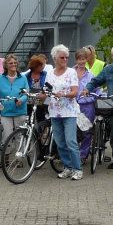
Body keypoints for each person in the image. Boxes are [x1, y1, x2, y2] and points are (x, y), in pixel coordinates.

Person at [44, 45, 83, 180]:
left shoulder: (71, 72)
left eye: (66, 57)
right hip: (54, 112)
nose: (65, 59)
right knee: (60, 143)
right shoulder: (50, 73)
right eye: (62, 57)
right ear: (55, 58)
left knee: (71, 141)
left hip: (69, 112)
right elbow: (47, 91)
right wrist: (42, 96)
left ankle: (78, 169)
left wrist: (64, 94)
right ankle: (68, 167)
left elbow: (75, 92)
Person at [0, 54, 29, 164]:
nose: (13, 65)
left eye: (15, 63)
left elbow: (26, 93)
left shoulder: (22, 78)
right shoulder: (0, 78)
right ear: (6, 65)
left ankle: (19, 158)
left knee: (19, 136)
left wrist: (21, 100)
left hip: (20, 110)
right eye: (10, 63)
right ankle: (6, 157)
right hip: (6, 112)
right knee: (6, 136)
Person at [74, 49, 97, 164]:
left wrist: (89, 98)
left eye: (83, 59)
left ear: (86, 59)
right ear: (76, 60)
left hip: (86, 107)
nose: (81, 61)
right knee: (72, 131)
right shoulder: (70, 73)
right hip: (71, 106)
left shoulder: (91, 75)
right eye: (79, 59)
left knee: (86, 131)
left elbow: (97, 91)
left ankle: (83, 155)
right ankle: (73, 154)